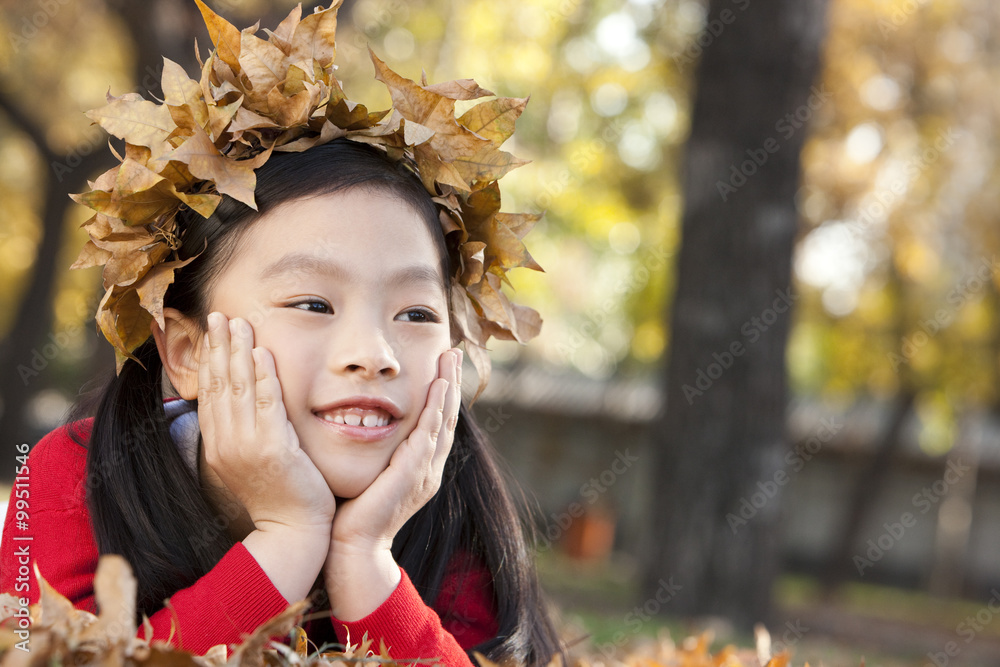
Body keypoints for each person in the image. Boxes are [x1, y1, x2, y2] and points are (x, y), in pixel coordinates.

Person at [0, 2, 562, 665]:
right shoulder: (72, 478)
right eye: (313, 303)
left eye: (415, 313)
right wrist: (286, 541)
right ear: (188, 351)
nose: (374, 355)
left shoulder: (448, 511)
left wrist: (364, 562)